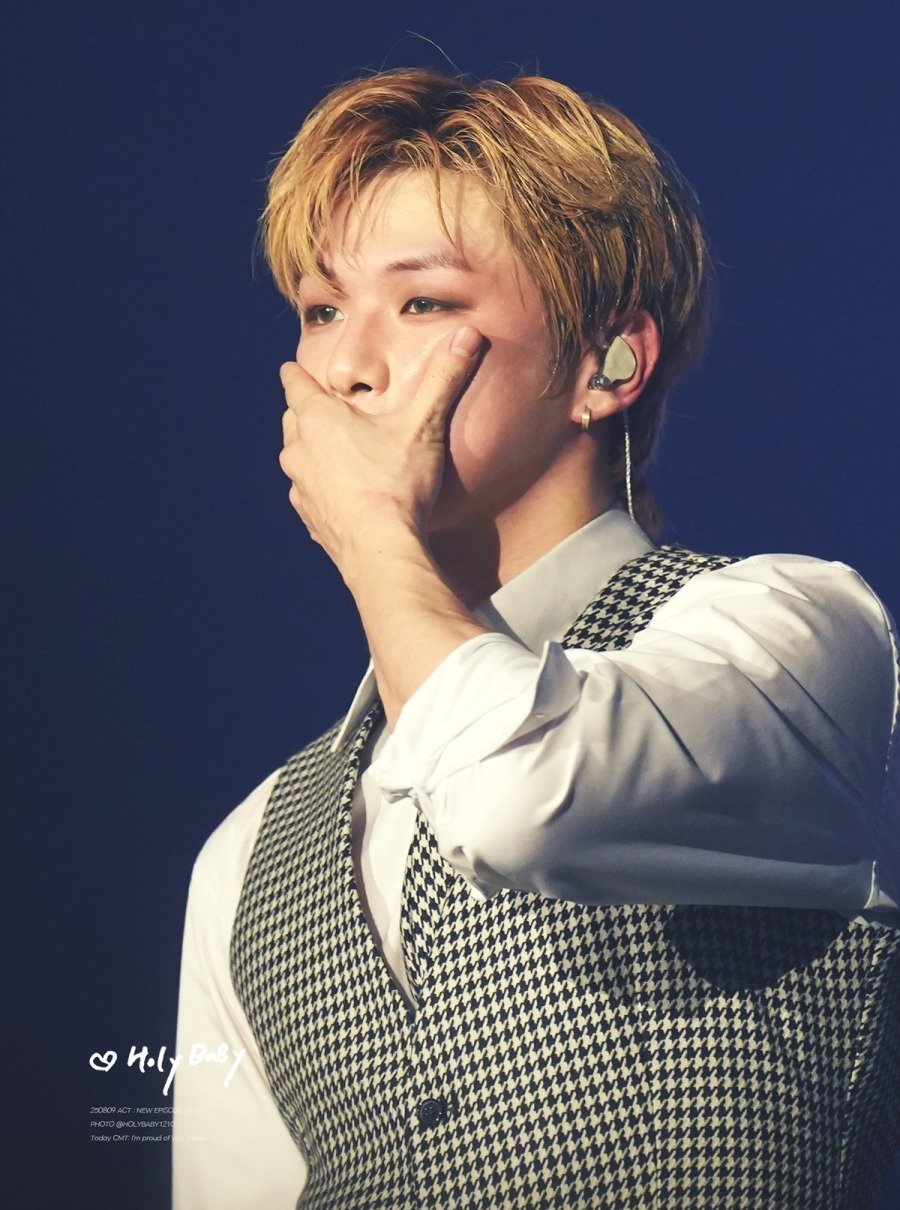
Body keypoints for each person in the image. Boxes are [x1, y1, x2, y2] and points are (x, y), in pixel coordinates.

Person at [174, 68, 900, 1209]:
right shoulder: (250, 851)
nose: (346, 366)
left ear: (610, 363)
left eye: (423, 302)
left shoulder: (796, 636)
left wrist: (374, 535)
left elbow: (520, 794)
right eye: (320, 311)